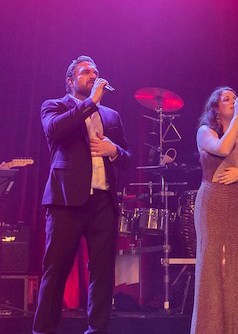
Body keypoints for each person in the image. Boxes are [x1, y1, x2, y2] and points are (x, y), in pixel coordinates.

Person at [33, 55, 132, 334]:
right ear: (70, 80)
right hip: (66, 201)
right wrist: (91, 103)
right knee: (56, 269)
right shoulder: (54, 106)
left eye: (95, 71)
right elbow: (56, 129)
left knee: (102, 273)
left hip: (103, 201)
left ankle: (97, 329)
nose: (93, 75)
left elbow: (127, 158)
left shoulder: (112, 116)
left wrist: (114, 151)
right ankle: (43, 329)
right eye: (85, 71)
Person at [192, 87, 238, 334]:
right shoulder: (205, 132)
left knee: (237, 263)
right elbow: (223, 148)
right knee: (213, 264)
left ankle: (237, 328)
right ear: (215, 108)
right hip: (213, 200)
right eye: (227, 99)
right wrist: (236, 119)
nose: (233, 102)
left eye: (235, 99)